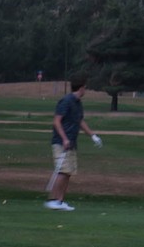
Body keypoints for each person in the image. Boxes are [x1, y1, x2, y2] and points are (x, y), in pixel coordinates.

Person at [44, 75, 102, 211]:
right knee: (63, 171)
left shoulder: (78, 103)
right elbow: (57, 121)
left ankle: (60, 201)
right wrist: (64, 138)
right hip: (61, 143)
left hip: (71, 143)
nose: (85, 90)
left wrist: (93, 136)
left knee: (68, 172)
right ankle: (53, 200)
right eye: (85, 87)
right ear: (81, 88)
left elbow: (80, 121)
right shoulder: (66, 101)